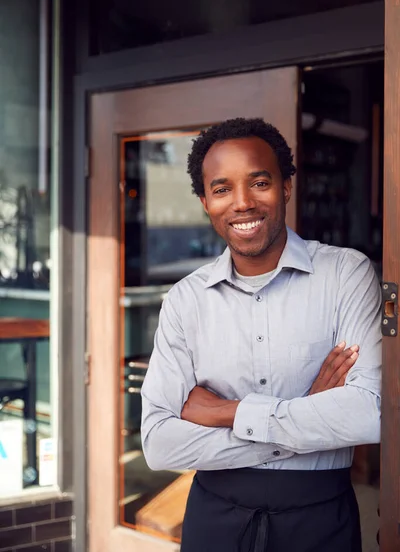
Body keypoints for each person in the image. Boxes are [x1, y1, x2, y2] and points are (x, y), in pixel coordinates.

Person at [141, 118, 381, 552]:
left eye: (259, 182)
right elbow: (159, 443)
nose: (242, 203)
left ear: (286, 186)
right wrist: (303, 417)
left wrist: (229, 412)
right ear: (204, 202)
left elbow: (370, 412)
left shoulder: (347, 274)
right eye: (221, 189)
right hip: (213, 521)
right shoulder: (185, 300)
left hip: (320, 520)